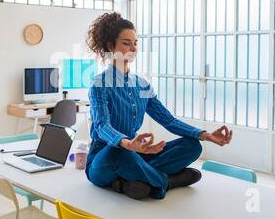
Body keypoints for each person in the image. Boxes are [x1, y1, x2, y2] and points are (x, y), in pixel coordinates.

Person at [85, 12, 233, 200]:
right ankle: (168, 182)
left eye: (135, 43)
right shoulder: (99, 83)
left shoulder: (142, 84)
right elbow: (101, 126)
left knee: (193, 146)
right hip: (105, 160)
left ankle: (127, 183)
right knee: (119, 153)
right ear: (109, 46)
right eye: (126, 43)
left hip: (136, 155)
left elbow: (168, 120)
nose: (133, 48)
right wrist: (128, 143)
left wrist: (206, 135)